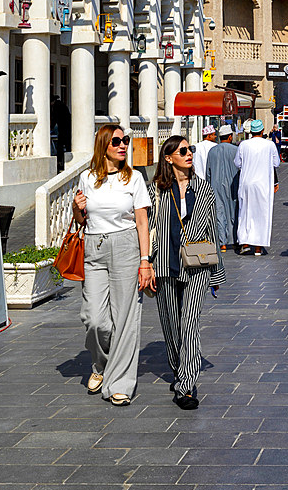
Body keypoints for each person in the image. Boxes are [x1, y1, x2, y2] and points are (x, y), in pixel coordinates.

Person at [72, 124, 152, 406]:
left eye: (125, 140)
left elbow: (142, 222)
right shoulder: (87, 177)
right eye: (116, 141)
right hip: (94, 248)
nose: (123, 145)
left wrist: (145, 261)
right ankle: (101, 366)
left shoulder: (135, 179)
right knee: (94, 319)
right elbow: (83, 221)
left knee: (125, 318)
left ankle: (120, 384)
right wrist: (76, 209)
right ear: (103, 145)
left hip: (126, 247)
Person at [148, 135, 225, 410]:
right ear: (169, 158)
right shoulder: (156, 191)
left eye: (190, 149)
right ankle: (178, 368)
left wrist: (216, 274)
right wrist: (145, 262)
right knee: (171, 325)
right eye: (183, 151)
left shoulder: (204, 189)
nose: (189, 153)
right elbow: (147, 229)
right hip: (165, 264)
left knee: (189, 322)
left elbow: (212, 231)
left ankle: (187, 385)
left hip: (197, 266)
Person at [235, 119, 280, 254]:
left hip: (247, 182)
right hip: (263, 184)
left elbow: (237, 163)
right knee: (261, 213)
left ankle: (245, 242)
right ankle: (258, 247)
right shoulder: (269, 145)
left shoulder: (244, 145)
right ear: (261, 131)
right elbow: (276, 163)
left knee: (245, 212)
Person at [205, 125, 239, 251]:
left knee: (219, 212)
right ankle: (235, 239)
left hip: (216, 185)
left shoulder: (212, 151)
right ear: (230, 137)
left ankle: (222, 242)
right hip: (233, 184)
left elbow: (208, 172)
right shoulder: (236, 150)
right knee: (233, 211)